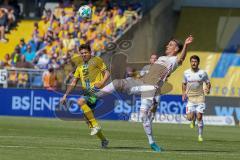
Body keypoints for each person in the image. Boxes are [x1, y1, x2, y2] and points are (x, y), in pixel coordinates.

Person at [94, 35, 194, 152]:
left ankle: (152, 143)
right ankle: (94, 97)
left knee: (142, 115)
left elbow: (181, 58)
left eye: (171, 44)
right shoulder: (161, 57)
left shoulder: (174, 60)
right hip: (141, 83)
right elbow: (149, 72)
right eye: (168, 44)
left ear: (176, 49)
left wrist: (186, 45)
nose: (167, 45)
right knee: (116, 82)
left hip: (150, 88)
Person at [61, 44, 110, 148]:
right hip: (87, 92)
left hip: (96, 90)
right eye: (82, 53)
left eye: (85, 52)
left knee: (80, 102)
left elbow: (107, 73)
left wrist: (102, 82)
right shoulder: (79, 66)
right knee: (87, 121)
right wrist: (65, 95)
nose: (83, 55)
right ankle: (104, 140)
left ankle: (96, 125)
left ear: (90, 52)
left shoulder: (97, 60)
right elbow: (74, 82)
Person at [182, 55, 211, 142]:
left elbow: (208, 82)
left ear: (198, 62)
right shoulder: (186, 72)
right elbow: (184, 83)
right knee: (189, 118)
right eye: (192, 61)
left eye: (195, 61)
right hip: (190, 98)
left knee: (199, 116)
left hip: (200, 97)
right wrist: (183, 93)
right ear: (190, 62)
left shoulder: (203, 73)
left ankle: (200, 136)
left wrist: (208, 89)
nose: (193, 63)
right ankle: (192, 119)